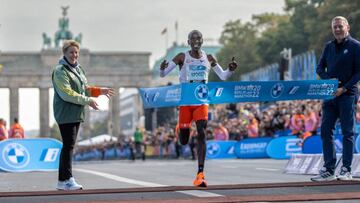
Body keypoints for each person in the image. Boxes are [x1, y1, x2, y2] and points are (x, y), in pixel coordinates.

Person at [160, 30, 237, 187]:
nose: (196, 40)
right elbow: (163, 74)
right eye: (193, 39)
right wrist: (162, 69)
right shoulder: (182, 57)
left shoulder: (209, 58)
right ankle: (180, 128)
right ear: (188, 42)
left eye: (199, 38)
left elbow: (223, 76)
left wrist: (230, 70)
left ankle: (200, 173)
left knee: (202, 132)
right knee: (183, 140)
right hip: (186, 102)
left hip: (202, 100)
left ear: (202, 41)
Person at [52, 40, 114, 190]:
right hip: (66, 113)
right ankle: (66, 179)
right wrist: (88, 101)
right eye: (71, 52)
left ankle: (64, 180)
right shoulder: (60, 70)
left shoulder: (79, 70)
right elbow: (67, 93)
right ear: (64, 53)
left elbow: (84, 89)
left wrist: (99, 91)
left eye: (76, 53)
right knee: (68, 145)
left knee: (69, 145)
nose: (74, 55)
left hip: (76, 113)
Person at [311, 16, 360, 181]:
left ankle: (346, 169)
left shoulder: (355, 46)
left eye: (340, 26)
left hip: (348, 93)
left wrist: (344, 87)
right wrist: (328, 80)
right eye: (335, 27)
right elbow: (319, 67)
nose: (337, 29)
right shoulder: (328, 46)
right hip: (330, 94)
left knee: (348, 132)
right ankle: (329, 169)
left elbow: (359, 72)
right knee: (326, 131)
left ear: (347, 27)